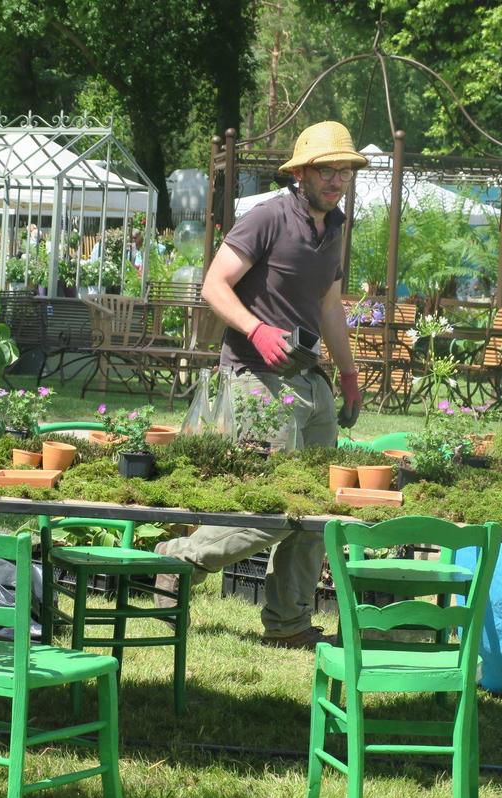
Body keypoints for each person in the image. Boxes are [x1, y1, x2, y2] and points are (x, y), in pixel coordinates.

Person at [154, 121, 367, 649]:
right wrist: (256, 328)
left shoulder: (335, 227)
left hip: (309, 383)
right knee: (271, 510)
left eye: (343, 169)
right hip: (255, 378)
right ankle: (176, 559)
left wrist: (347, 373)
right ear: (301, 172)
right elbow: (213, 285)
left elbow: (329, 306)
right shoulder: (266, 218)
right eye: (326, 169)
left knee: (317, 511)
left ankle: (289, 624)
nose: (337, 179)